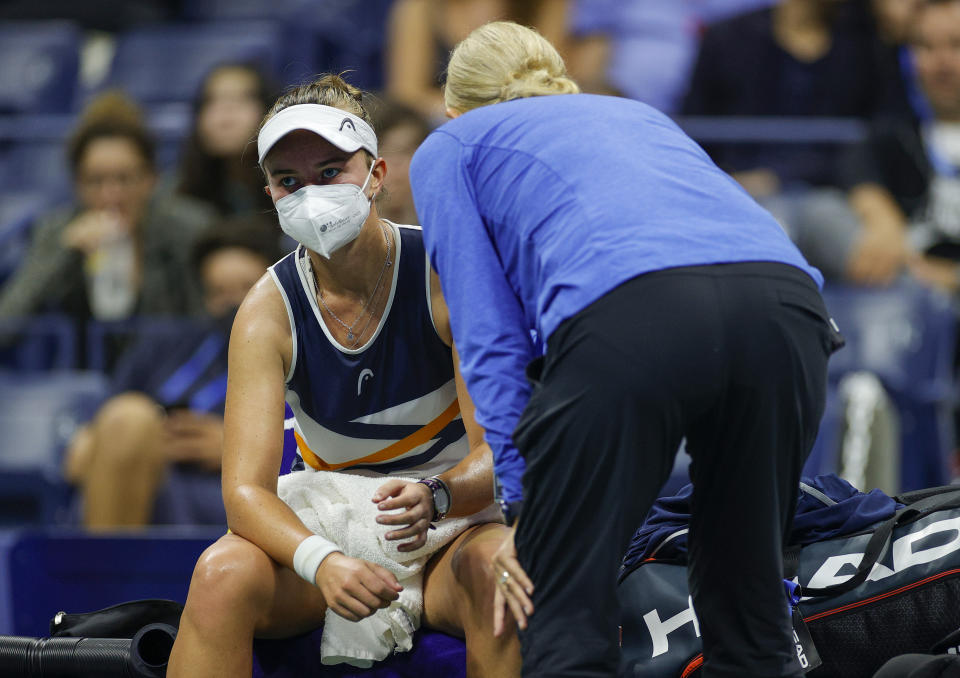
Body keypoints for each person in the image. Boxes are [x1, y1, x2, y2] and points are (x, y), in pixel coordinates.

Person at [409, 21, 843, 678]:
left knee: (566, 626)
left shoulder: (450, 146)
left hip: (633, 313)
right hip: (787, 312)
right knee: (750, 616)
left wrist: (527, 508)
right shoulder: (636, 114)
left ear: (452, 104)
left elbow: (490, 343)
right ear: (560, 79)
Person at [167, 74, 519, 677]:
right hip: (330, 522)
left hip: (448, 528)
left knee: (503, 571)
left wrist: (438, 495)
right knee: (220, 575)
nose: (311, 194)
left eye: (331, 172)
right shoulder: (265, 310)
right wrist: (321, 560)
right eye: (289, 181)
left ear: (377, 174)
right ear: (272, 194)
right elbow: (245, 493)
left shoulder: (444, 274)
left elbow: (505, 453)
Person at [63, 216, 280, 530]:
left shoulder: (300, 358)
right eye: (218, 292)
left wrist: (236, 450)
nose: (233, 304)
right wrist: (141, 442)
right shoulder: (164, 346)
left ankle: (96, 574)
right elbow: (94, 437)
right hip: (144, 477)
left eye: (246, 288)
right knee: (130, 421)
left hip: (226, 491)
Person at [0, 91, 213, 328]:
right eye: (95, 181)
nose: (111, 195)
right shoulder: (56, 232)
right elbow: (8, 322)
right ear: (76, 184)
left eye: (124, 179)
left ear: (151, 178)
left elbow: (203, 327)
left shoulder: (189, 228)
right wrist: (65, 253)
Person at [385, 0, 570, 123]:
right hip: (444, 122)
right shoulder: (421, 7)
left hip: (523, 121)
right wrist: (472, 114)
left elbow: (551, 83)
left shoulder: (546, 5)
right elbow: (406, 94)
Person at [171, 62, 278, 218]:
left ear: (267, 110)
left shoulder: (290, 189)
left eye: (242, 99)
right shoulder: (176, 199)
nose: (225, 114)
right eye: (212, 100)